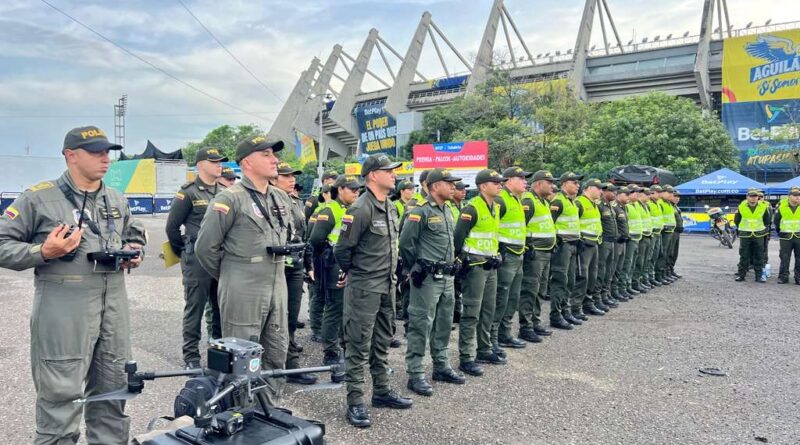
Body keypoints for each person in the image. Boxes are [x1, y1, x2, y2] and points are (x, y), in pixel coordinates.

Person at [0, 126, 147, 445]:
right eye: (96, 152)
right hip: (63, 308)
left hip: (113, 305)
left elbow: (134, 233)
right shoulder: (38, 198)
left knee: (113, 390)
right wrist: (43, 251)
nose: (106, 159)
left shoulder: (116, 198)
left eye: (107, 152)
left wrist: (134, 251)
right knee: (60, 396)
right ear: (70, 156)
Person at [195, 135, 290, 406]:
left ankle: (267, 411)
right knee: (241, 357)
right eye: (267, 155)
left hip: (276, 283)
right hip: (243, 286)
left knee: (275, 350)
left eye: (274, 154)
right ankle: (241, 414)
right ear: (247, 163)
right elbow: (205, 248)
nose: (275, 159)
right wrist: (231, 276)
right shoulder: (230, 198)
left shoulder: (279, 197)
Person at [335, 154, 411, 428]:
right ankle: (355, 401)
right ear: (372, 176)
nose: (393, 174)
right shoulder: (360, 209)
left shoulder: (390, 207)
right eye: (388, 170)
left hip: (386, 287)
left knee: (381, 342)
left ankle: (381, 392)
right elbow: (342, 249)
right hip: (364, 288)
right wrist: (354, 273)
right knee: (357, 345)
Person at [401, 168, 465, 396]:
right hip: (427, 278)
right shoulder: (421, 212)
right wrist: (415, 267)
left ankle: (441, 365)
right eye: (449, 183)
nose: (453, 187)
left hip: (447, 277)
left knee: (444, 323)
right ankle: (416, 373)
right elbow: (406, 243)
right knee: (421, 324)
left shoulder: (448, 210)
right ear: (435, 186)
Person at [166, 147, 226, 369]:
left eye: (220, 161)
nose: (219, 165)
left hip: (219, 258)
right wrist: (185, 250)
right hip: (196, 261)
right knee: (195, 307)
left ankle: (219, 352)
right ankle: (191, 356)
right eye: (214, 161)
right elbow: (172, 228)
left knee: (220, 307)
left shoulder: (224, 191)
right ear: (201, 165)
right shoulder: (188, 193)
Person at [454, 169, 507, 376]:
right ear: (483, 186)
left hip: (491, 265)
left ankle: (483, 349)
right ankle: (466, 357)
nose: (500, 185)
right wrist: (461, 260)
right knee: (471, 313)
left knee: (488, 310)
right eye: (496, 182)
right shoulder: (472, 208)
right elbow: (458, 238)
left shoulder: (495, 207)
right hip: (475, 267)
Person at [308, 174, 361, 381]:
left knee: (346, 307)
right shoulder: (330, 210)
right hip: (333, 264)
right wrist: (326, 260)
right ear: (340, 190)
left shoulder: (351, 210)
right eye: (352, 189)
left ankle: (341, 343)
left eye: (358, 190)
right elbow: (315, 239)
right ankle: (330, 351)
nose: (356, 193)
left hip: (348, 263)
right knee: (334, 306)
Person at [273, 162, 317, 385]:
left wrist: (309, 264)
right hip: (276, 263)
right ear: (274, 178)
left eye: (293, 176)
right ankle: (275, 363)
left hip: (295, 265)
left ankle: (290, 364)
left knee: (291, 315)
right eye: (286, 176)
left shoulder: (297, 202)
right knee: (274, 317)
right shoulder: (268, 200)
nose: (292, 180)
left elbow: (304, 235)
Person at [493, 167, 532, 355]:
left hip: (518, 255)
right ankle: (492, 338)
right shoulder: (501, 199)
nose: (525, 182)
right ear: (509, 180)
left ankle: (505, 332)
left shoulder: (517, 199)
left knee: (513, 297)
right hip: (506, 255)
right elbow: (491, 227)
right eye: (521, 178)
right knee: (501, 296)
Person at [517, 170, 557, 343]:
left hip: (546, 251)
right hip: (535, 253)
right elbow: (521, 226)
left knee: (540, 289)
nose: (552, 186)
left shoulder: (543, 201)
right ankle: (525, 327)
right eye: (549, 182)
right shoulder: (529, 201)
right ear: (539, 184)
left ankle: (535, 321)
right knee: (530, 289)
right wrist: (527, 247)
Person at [549, 172, 584, 329]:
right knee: (560, 281)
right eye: (574, 182)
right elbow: (551, 224)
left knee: (569, 280)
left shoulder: (572, 202)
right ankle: (556, 315)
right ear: (564, 184)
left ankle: (566, 311)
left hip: (573, 245)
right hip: (562, 246)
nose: (577, 185)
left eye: (578, 183)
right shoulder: (558, 201)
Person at [574, 178, 607, 317]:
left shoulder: (594, 204)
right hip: (584, 245)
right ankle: (576, 307)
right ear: (588, 188)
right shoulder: (579, 202)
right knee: (582, 276)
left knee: (592, 276)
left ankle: (588, 303)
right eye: (598, 188)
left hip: (594, 243)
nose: (601, 191)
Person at [306, 184, 333, 342]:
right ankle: (316, 328)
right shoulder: (320, 211)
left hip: (333, 261)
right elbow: (312, 239)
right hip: (320, 258)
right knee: (319, 295)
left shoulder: (340, 209)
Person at [733, 188, 770, 282]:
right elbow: (736, 220)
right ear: (747, 197)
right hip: (745, 235)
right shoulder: (741, 207)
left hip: (758, 234)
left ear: (758, 197)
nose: (753, 198)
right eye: (751, 196)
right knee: (744, 256)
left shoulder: (763, 207)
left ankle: (758, 276)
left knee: (759, 256)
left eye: (755, 196)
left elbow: (767, 220)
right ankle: (741, 275)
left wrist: (760, 229)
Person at [596, 183, 622, 307]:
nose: (615, 194)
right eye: (613, 191)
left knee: (609, 270)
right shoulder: (599, 205)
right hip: (604, 242)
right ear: (605, 191)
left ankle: (604, 295)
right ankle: (597, 297)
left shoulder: (609, 206)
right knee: (601, 270)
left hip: (612, 241)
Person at [450, 180, 469, 324]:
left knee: (459, 283)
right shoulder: (447, 206)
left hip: (463, 250)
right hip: (451, 249)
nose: (463, 191)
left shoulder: (465, 207)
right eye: (460, 189)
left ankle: (457, 312)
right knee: (452, 284)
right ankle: (453, 314)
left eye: (464, 189)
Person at [774, 186, 800, 284]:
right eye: (795, 195)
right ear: (789, 196)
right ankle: (783, 277)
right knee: (784, 257)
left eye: (799, 195)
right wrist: (780, 232)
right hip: (785, 236)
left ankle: (798, 278)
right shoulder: (781, 206)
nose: (798, 197)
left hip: (799, 235)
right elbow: (776, 221)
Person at [610, 186, 631, 301]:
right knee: (612, 268)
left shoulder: (624, 208)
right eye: (626, 194)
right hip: (617, 242)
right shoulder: (614, 207)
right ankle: (610, 292)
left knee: (619, 268)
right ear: (618, 195)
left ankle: (615, 290)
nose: (628, 197)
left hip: (623, 241)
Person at [623, 186, 644, 297]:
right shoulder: (626, 206)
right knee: (627, 264)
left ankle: (629, 285)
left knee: (633, 263)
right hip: (630, 239)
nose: (637, 194)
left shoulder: (635, 205)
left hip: (637, 238)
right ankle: (623, 287)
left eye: (638, 192)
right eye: (635, 192)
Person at [634, 187, 653, 293]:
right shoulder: (635, 205)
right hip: (639, 237)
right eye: (647, 194)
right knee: (638, 261)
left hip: (646, 235)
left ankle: (639, 281)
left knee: (645, 260)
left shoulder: (645, 205)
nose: (649, 196)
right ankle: (635, 282)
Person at [657, 185, 677, 284]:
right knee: (662, 254)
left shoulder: (669, 204)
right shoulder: (660, 203)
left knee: (668, 254)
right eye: (669, 192)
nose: (671, 195)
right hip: (663, 233)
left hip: (670, 232)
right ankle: (659, 275)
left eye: (671, 193)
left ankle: (664, 273)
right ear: (663, 192)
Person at [667, 190, 683, 279]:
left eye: (678, 196)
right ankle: (667, 271)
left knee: (675, 253)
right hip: (672, 232)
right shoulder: (668, 206)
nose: (677, 198)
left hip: (677, 232)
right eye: (675, 196)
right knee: (670, 252)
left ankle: (671, 269)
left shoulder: (675, 206)